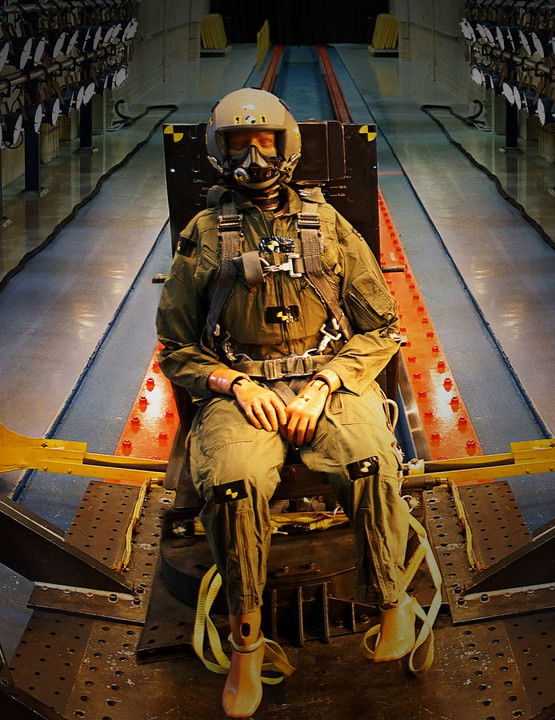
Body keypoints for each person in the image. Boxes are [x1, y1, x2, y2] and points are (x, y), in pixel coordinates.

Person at [156, 88, 417, 718]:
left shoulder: (328, 226)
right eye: (237, 145)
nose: (252, 159)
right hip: (242, 389)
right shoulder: (204, 234)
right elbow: (177, 346)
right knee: (233, 481)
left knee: (369, 460)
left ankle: (393, 603)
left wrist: (326, 384)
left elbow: (382, 326)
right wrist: (233, 384)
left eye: (264, 143)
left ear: (287, 146)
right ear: (217, 151)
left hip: (327, 382)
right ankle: (247, 643)